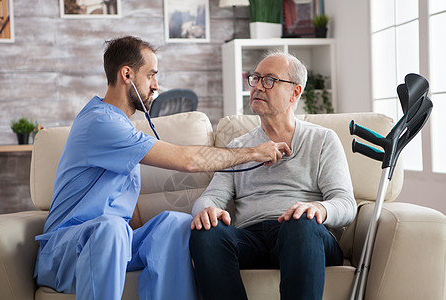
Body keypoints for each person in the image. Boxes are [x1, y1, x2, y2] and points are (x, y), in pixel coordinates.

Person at [34, 36, 290, 300]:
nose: (156, 86)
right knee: (111, 228)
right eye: (151, 75)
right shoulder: (101, 123)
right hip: (65, 254)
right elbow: (187, 161)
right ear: (127, 74)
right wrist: (253, 152)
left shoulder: (122, 125)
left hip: (113, 243)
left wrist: (148, 242)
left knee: (175, 223)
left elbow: (122, 201)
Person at [190, 52, 357, 300]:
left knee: (300, 222)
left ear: (295, 92)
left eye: (269, 80)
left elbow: (346, 204)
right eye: (255, 78)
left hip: (304, 234)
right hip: (252, 237)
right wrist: (206, 210)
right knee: (206, 232)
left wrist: (317, 209)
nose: (257, 86)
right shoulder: (240, 147)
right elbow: (211, 197)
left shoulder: (322, 139)